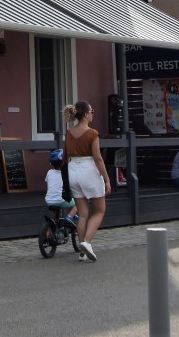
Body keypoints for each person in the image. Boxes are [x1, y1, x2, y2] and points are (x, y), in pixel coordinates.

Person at [61, 101, 111, 262]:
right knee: (100, 210)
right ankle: (87, 242)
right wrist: (107, 179)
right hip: (88, 170)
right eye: (92, 111)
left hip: (73, 171)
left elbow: (64, 155)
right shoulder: (92, 133)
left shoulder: (69, 133)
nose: (93, 114)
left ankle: (82, 252)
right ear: (86, 114)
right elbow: (98, 158)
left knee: (82, 214)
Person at [45, 148, 77, 226]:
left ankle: (56, 220)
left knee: (59, 202)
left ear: (51, 163)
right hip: (61, 200)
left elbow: (48, 186)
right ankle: (70, 216)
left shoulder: (49, 172)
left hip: (48, 200)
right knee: (79, 202)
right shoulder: (67, 173)